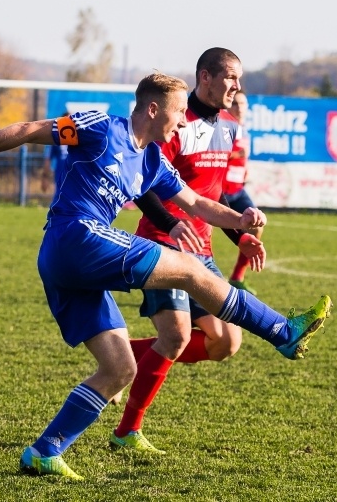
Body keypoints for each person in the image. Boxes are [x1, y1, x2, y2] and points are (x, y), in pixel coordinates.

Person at [0, 72, 332, 480]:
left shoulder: (153, 160)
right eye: (177, 113)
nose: (183, 122)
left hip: (75, 263)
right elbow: (27, 130)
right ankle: (281, 329)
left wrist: (240, 219)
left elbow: (198, 204)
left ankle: (45, 450)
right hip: (73, 236)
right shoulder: (99, 126)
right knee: (188, 269)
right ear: (153, 109)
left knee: (120, 368)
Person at [109, 49, 264, 454]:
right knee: (176, 337)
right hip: (163, 245)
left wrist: (240, 234)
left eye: (239, 78)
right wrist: (169, 224)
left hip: (204, 250)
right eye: (230, 77)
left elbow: (219, 193)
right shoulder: (175, 123)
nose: (236, 86)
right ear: (205, 77)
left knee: (226, 342)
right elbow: (144, 183)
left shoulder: (230, 126)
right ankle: (127, 431)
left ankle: (120, 358)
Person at [223, 89, 263, 295]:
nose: (240, 108)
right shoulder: (222, 127)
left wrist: (244, 171)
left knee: (256, 226)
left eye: (244, 104)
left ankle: (237, 277)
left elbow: (241, 159)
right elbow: (215, 156)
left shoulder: (243, 130)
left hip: (237, 190)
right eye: (236, 104)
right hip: (219, 191)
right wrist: (237, 154)